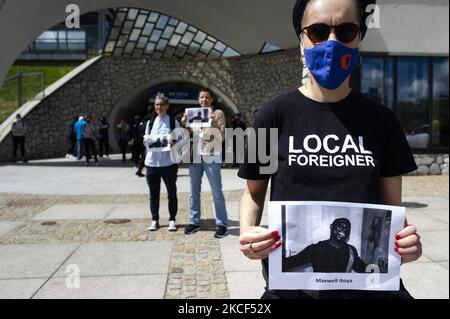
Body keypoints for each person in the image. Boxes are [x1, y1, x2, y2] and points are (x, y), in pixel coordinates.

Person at [238, 0, 422, 299]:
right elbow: (253, 192)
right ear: (301, 42)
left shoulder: (383, 120)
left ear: (359, 38)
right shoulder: (270, 115)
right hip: (292, 294)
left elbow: (391, 212)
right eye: (319, 31)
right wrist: (248, 231)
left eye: (346, 30)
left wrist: (404, 244)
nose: (332, 42)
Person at [181, 89, 229, 238]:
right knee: (193, 192)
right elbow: (190, 134)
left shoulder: (218, 114)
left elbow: (221, 136)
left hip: (211, 154)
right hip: (195, 155)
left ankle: (222, 223)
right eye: (201, 97)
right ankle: (194, 221)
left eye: (207, 97)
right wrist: (185, 125)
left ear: (212, 100)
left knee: (216, 191)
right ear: (198, 99)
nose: (204, 100)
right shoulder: (193, 114)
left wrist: (214, 123)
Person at [283, 218, 387, 273]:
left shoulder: (351, 251)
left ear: (349, 234)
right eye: (340, 227)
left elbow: (364, 269)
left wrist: (380, 271)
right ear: (331, 227)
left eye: (346, 229)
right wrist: (271, 257)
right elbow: (291, 262)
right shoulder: (316, 248)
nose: (343, 231)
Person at [144, 93, 179, 232]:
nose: (159, 107)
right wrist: (145, 142)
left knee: (171, 193)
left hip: (168, 164)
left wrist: (173, 142)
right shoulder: (150, 122)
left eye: (162, 104)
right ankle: (155, 219)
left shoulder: (173, 122)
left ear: (167, 106)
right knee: (153, 194)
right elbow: (147, 140)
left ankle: (172, 219)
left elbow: (179, 140)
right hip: (152, 163)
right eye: (157, 104)